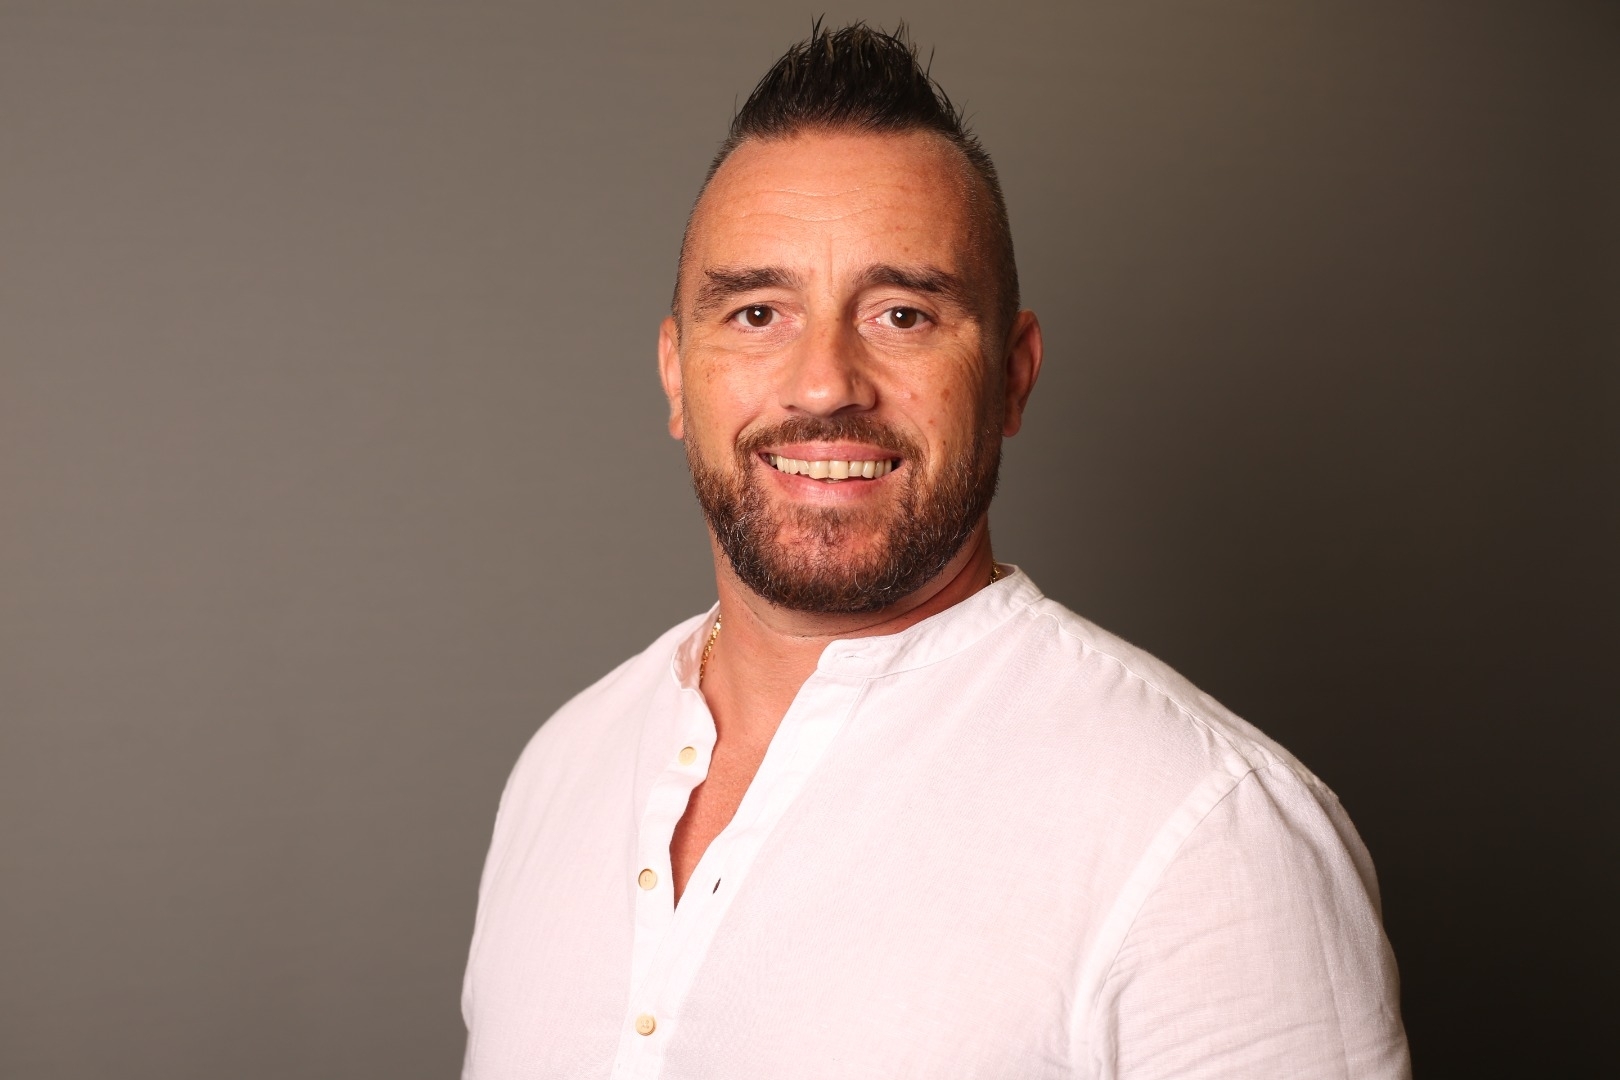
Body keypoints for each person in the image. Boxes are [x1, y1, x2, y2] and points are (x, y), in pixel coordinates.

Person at [460, 22, 1409, 1080]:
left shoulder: (1207, 836)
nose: (825, 383)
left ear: (1012, 376)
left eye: (903, 315)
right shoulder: (562, 769)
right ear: (678, 373)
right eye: (759, 312)